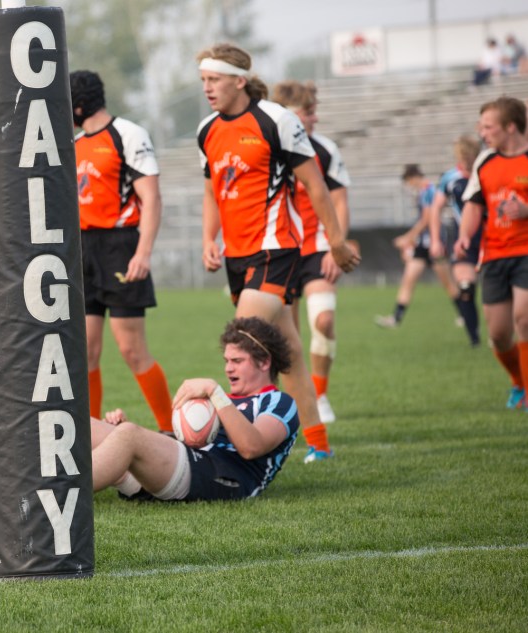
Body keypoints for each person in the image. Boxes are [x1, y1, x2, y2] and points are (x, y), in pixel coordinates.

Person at [194, 43, 360, 463]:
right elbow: (213, 190)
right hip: (236, 256)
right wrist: (208, 239)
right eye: (203, 81)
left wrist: (336, 240)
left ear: (239, 80)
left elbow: (316, 186)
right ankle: (319, 445)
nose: (207, 88)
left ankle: (239, 441)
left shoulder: (277, 120)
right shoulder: (207, 129)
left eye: (213, 80)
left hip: (276, 249)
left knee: (241, 341)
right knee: (290, 354)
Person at [91, 317, 298, 501]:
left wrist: (214, 392)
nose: (228, 368)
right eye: (226, 361)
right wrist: (122, 430)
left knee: (129, 436)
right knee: (87, 425)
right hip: (186, 463)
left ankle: (64, 491)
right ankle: (95, 470)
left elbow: (251, 447)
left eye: (237, 361)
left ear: (264, 362)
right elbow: (185, 442)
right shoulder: (224, 401)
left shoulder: (279, 402)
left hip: (224, 476)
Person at [70, 70, 174, 433]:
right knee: (84, 352)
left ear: (79, 105)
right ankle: (92, 439)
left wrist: (143, 253)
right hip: (82, 251)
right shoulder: (74, 144)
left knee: (131, 349)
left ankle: (169, 432)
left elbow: (152, 198)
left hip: (121, 247)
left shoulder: (128, 134)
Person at [271, 80, 351, 424]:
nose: (314, 118)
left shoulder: (326, 149)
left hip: (318, 247)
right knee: (289, 337)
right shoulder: (269, 147)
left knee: (325, 320)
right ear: (289, 115)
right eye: (308, 112)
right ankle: (293, 404)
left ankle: (319, 394)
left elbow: (339, 200)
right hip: (280, 248)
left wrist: (337, 245)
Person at [454, 96, 528, 409]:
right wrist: (463, 235)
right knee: (498, 333)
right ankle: (518, 382)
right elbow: (474, 204)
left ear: (510, 127)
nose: (482, 133)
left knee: (523, 319)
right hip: (495, 254)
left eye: (488, 126)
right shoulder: (485, 162)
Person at [375, 164, 463, 329]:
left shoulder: (429, 191)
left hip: (435, 245)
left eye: (408, 182)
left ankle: (465, 315)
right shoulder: (423, 193)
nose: (409, 186)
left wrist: (408, 238)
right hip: (422, 246)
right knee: (408, 280)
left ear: (413, 178)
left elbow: (427, 219)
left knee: (448, 283)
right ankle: (396, 318)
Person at [428, 135, 484, 347]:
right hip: (465, 239)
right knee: (466, 287)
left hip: (492, 238)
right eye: (462, 158)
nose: (466, 163)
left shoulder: (485, 172)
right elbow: (436, 208)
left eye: (469, 158)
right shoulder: (450, 178)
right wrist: (435, 240)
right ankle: (475, 339)